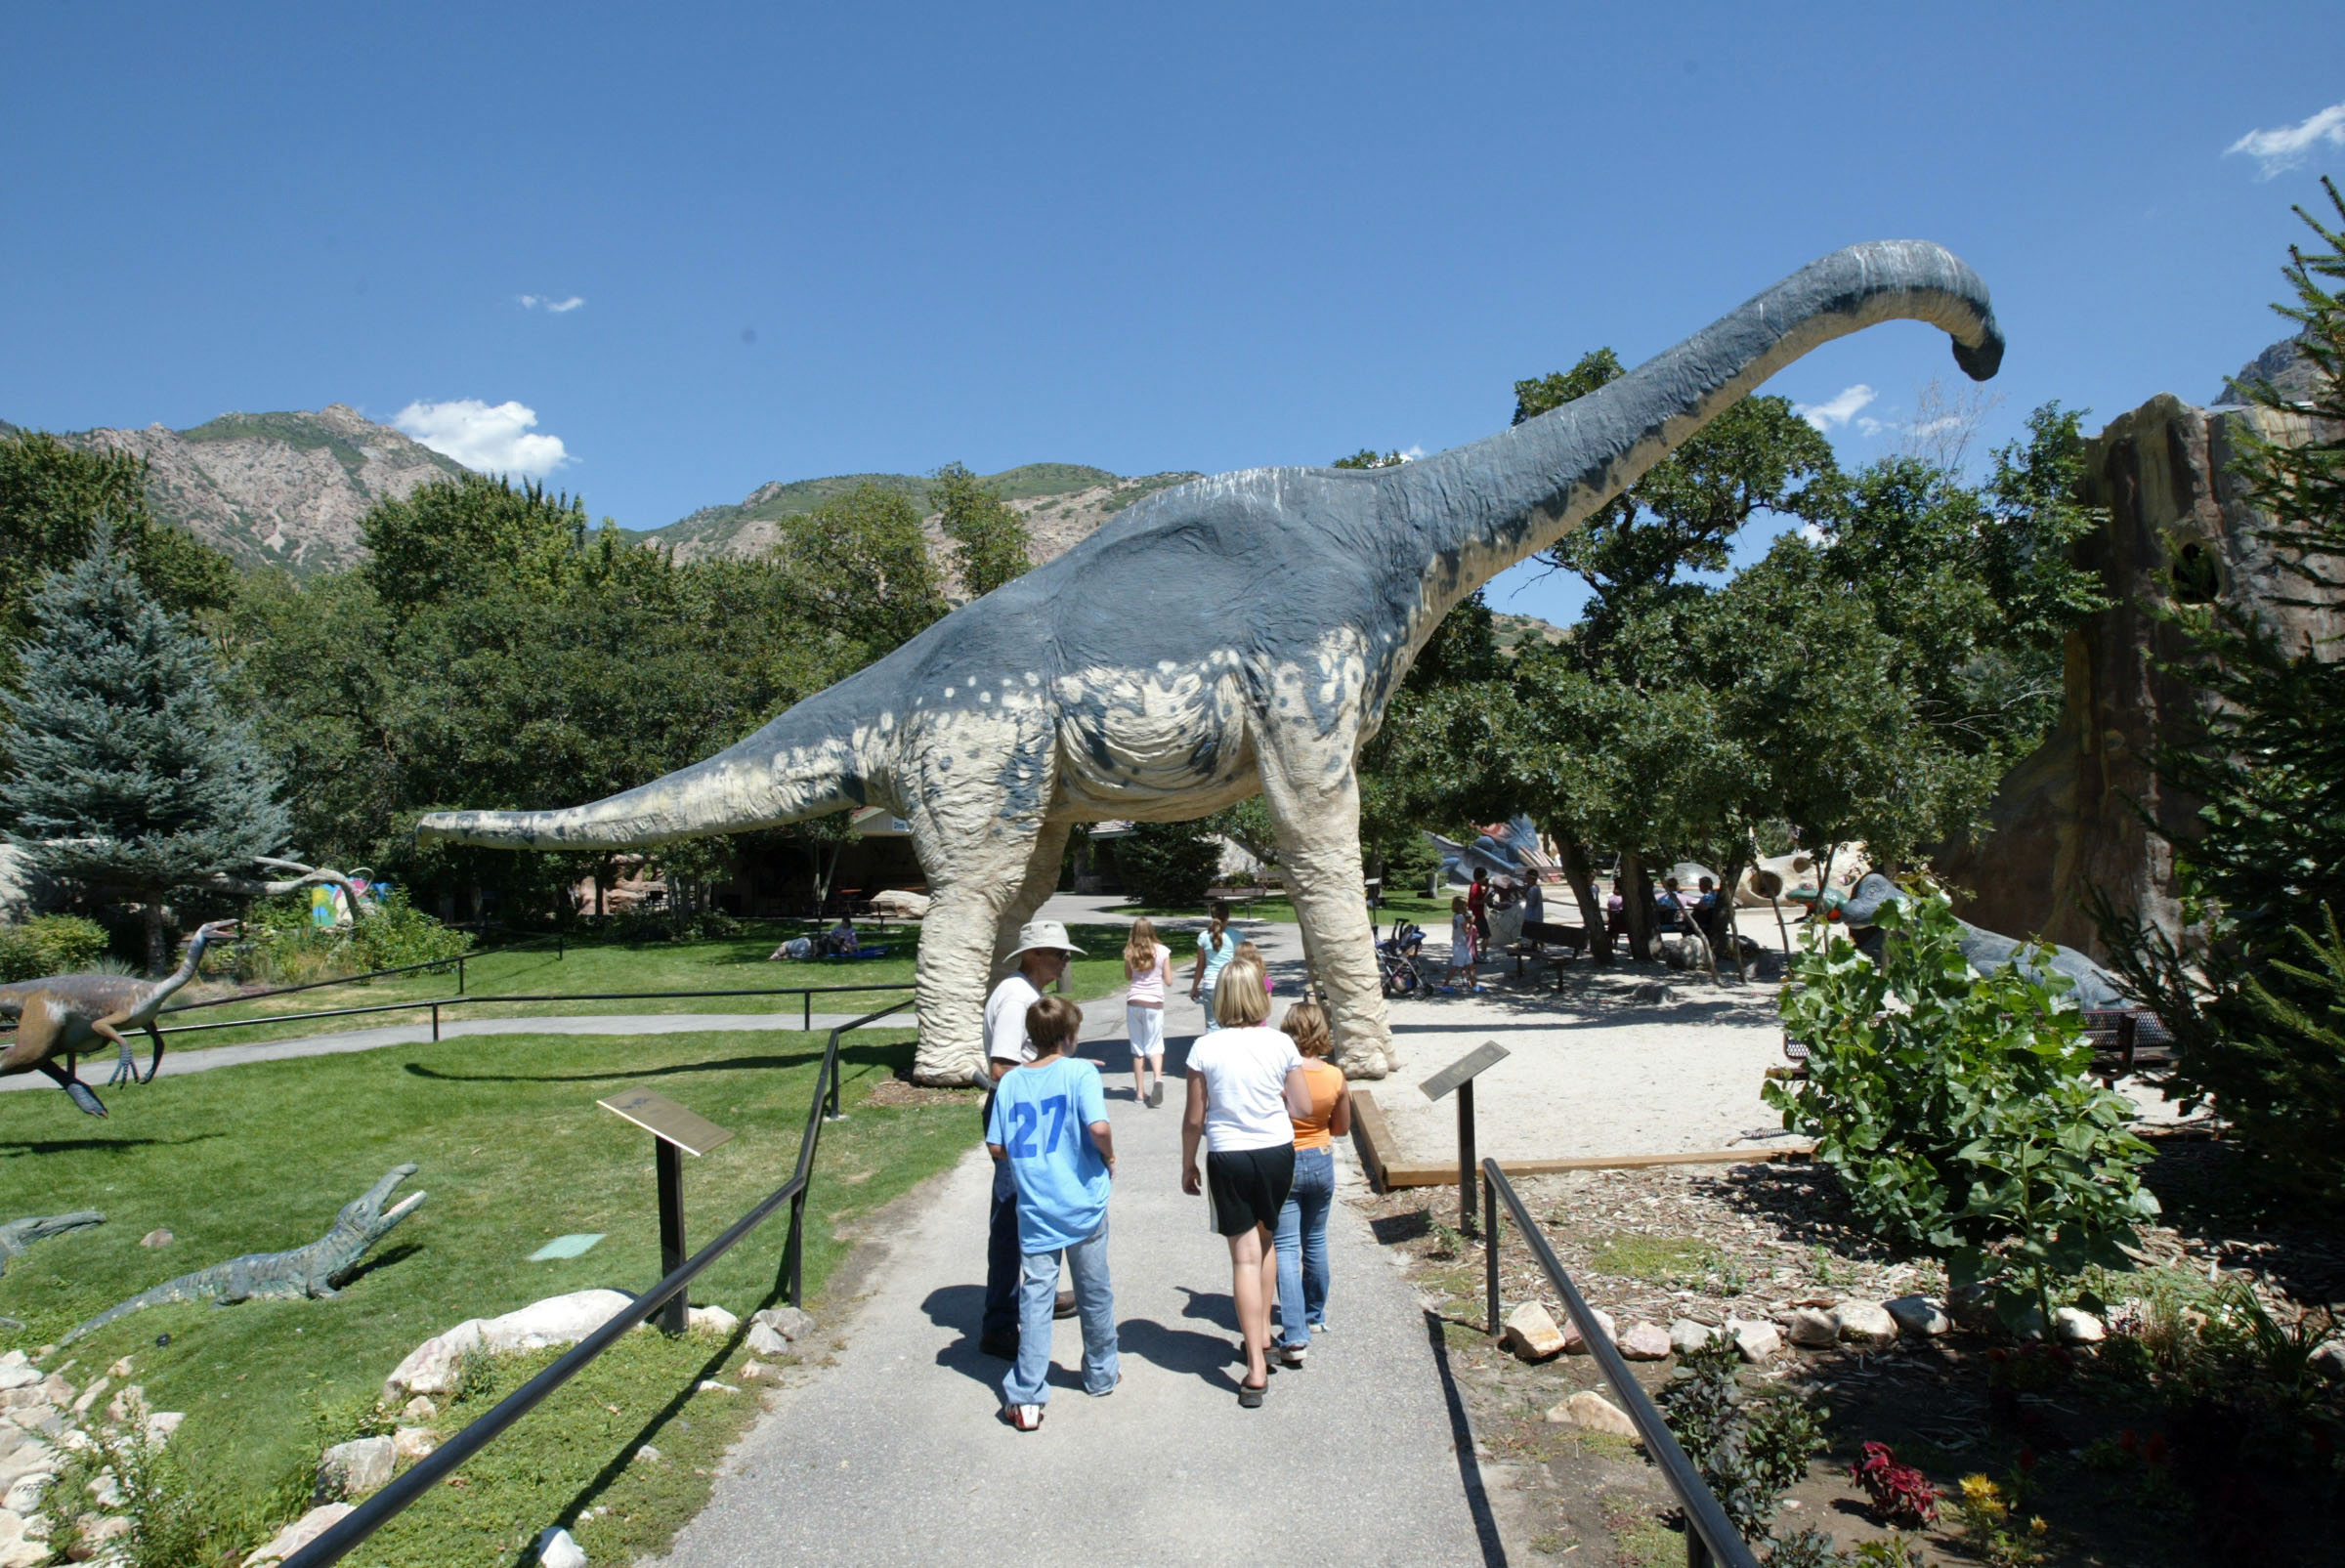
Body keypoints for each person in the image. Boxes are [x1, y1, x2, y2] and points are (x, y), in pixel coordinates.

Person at [1181, 954, 1313, 1407]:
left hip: (1229, 1154)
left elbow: (1195, 1118)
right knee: (1269, 1240)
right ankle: (1261, 1339)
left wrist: (1187, 1163)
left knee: (1243, 1258)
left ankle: (1256, 1367)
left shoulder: (1205, 1048)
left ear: (1220, 998)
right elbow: (1302, 1107)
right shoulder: (1280, 1045)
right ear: (1260, 995)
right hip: (1276, 1151)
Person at [988, 995, 1119, 1431]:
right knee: (1094, 1288)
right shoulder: (1080, 1072)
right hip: (1081, 1200)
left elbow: (996, 1146)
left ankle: (1027, 1394)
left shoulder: (1009, 1083)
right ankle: (1100, 1373)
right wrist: (1110, 1156)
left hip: (1037, 1205)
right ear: (1069, 1037)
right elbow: (1098, 1127)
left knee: (1037, 1296)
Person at [980, 919, 1087, 1358]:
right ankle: (1000, 1322)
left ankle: (1032, 1295)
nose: (1064, 961)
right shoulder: (1017, 999)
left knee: (1035, 1207)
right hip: (1018, 1116)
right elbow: (1002, 1067)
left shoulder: (1027, 995)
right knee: (1010, 1216)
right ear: (1033, 955)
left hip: (1028, 1112)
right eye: (1059, 954)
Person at [1272, 1000, 1349, 1367]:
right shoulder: (1334, 1076)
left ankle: (1293, 1329)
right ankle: (1314, 1315)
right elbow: (1342, 1127)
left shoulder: (1281, 1073)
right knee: (1315, 1239)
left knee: (1286, 1247)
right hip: (1320, 1155)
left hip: (1285, 1157)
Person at [1123, 917, 1172, 1107]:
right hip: (1154, 1003)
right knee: (1155, 1045)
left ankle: (1139, 1094)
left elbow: (1128, 976)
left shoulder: (1129, 951)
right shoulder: (1162, 951)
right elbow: (1168, 980)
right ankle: (1158, 1078)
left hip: (1134, 1001)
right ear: (1152, 930)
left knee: (1138, 1049)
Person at [1188, 900, 1239, 1032]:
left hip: (1210, 984)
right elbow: (1241, 964)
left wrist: (1194, 987)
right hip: (1230, 983)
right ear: (1228, 915)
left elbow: (1200, 965)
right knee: (1231, 1025)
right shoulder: (1237, 936)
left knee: (1212, 1025)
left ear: (1211, 915)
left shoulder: (1203, 936)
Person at [1441, 896, 1478, 994]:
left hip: (1461, 944)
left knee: (1471, 965)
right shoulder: (1461, 917)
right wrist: (1471, 923)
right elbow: (1466, 931)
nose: (1466, 908)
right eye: (1465, 906)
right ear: (1460, 907)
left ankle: (1474, 985)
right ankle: (1445, 985)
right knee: (1456, 966)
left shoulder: (1456, 916)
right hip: (1460, 945)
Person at [1468, 866, 1491, 949]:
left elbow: (1479, 897)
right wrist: (1485, 901)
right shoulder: (1476, 886)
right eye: (1485, 876)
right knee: (1486, 936)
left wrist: (1487, 889)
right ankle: (1482, 955)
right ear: (1483, 876)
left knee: (1475, 935)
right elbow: (1474, 901)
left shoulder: (1475, 885)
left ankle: (1476, 954)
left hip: (1477, 914)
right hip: (1477, 915)